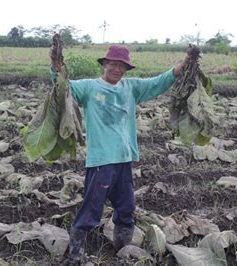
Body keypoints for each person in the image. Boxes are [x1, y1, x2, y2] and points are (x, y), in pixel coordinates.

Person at [51, 45, 188, 264]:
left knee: (126, 209)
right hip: (101, 161)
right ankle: (75, 257)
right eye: (113, 64)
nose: (117, 69)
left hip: (124, 160)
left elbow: (158, 83)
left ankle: (123, 253)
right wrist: (55, 67)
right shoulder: (89, 88)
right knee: (91, 210)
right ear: (104, 64)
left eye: (122, 66)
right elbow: (62, 87)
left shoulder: (130, 88)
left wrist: (179, 69)